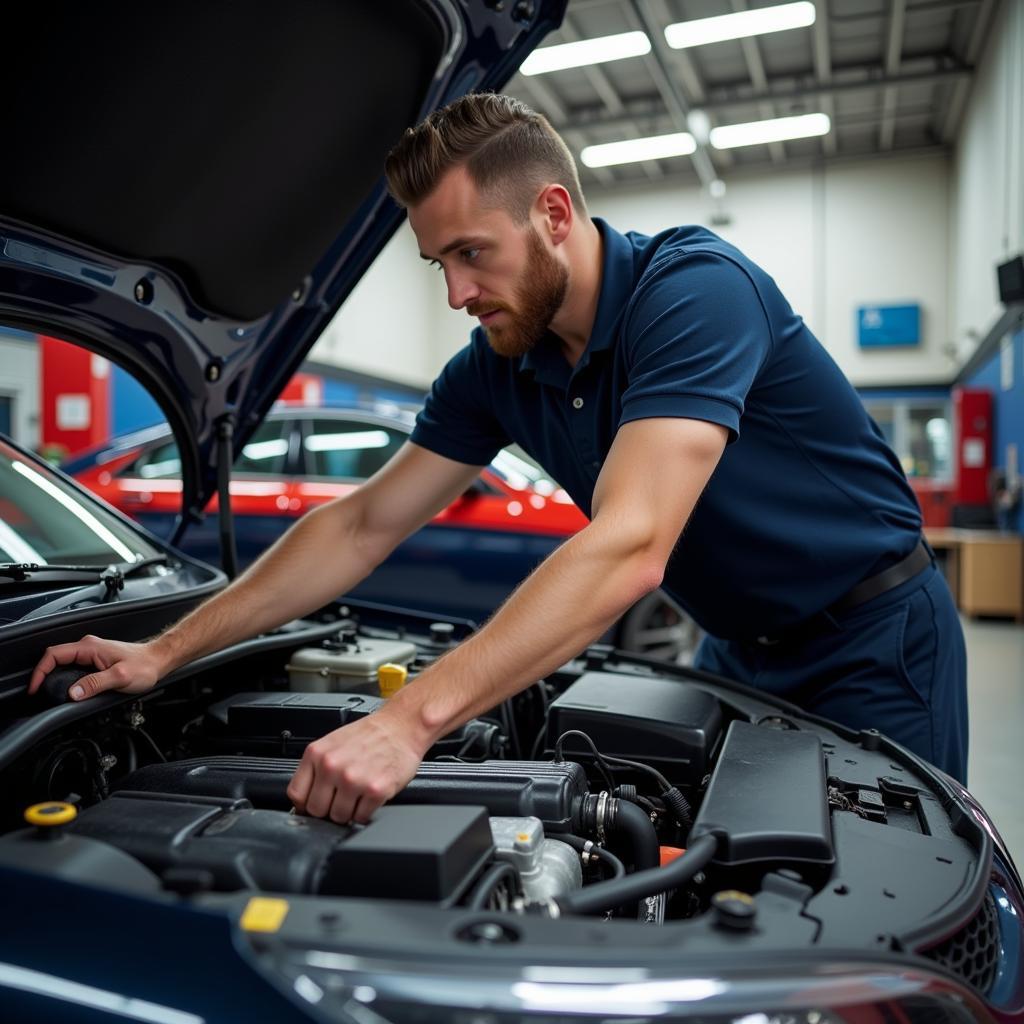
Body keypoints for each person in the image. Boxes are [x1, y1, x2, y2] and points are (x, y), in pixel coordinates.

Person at [30, 93, 968, 824]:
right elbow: (360, 525)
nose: (456, 292)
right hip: (736, 646)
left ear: (554, 212)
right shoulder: (496, 368)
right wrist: (164, 651)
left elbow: (633, 541)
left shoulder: (694, 292)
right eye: (438, 262)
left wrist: (408, 723)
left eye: (472, 253)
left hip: (871, 640)